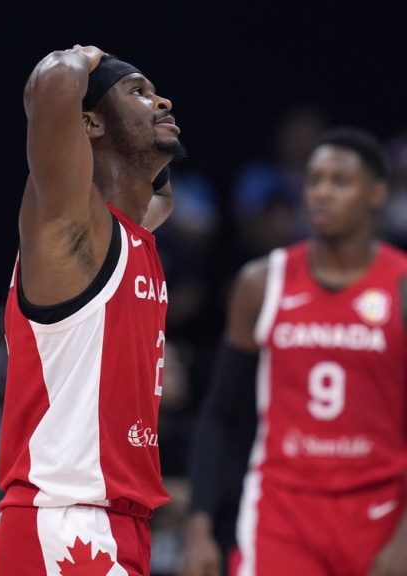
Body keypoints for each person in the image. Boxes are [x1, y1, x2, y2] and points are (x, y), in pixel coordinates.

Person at [180, 127, 407, 576]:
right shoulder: (262, 283)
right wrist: (199, 526)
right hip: (283, 513)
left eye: (339, 181)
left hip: (379, 510)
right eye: (314, 180)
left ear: (376, 193)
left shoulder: (401, 286)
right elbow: (220, 415)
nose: (321, 193)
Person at [0, 44, 185, 575]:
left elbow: (158, 195)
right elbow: (51, 85)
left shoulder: (135, 235)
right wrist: (81, 58)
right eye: (139, 92)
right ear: (89, 124)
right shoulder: (69, 231)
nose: (163, 101)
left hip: (122, 522)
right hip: (66, 519)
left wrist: (144, 132)